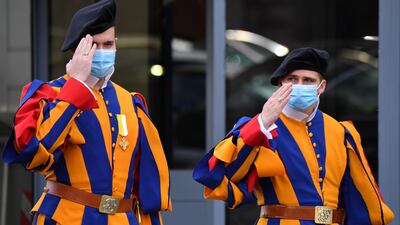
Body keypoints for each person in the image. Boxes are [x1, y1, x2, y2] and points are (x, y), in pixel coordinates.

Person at [2, 0, 171, 224]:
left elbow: (147, 190)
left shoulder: (130, 102)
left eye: (108, 44)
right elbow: (36, 153)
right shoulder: (49, 94)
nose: (102, 52)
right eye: (94, 45)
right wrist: (77, 86)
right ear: (78, 49)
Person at [193, 47, 394, 224]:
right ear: (281, 84)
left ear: (321, 87)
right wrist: (261, 123)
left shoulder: (341, 132)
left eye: (308, 80)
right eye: (292, 79)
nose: (299, 85)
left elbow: (359, 200)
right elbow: (217, 174)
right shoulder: (260, 127)